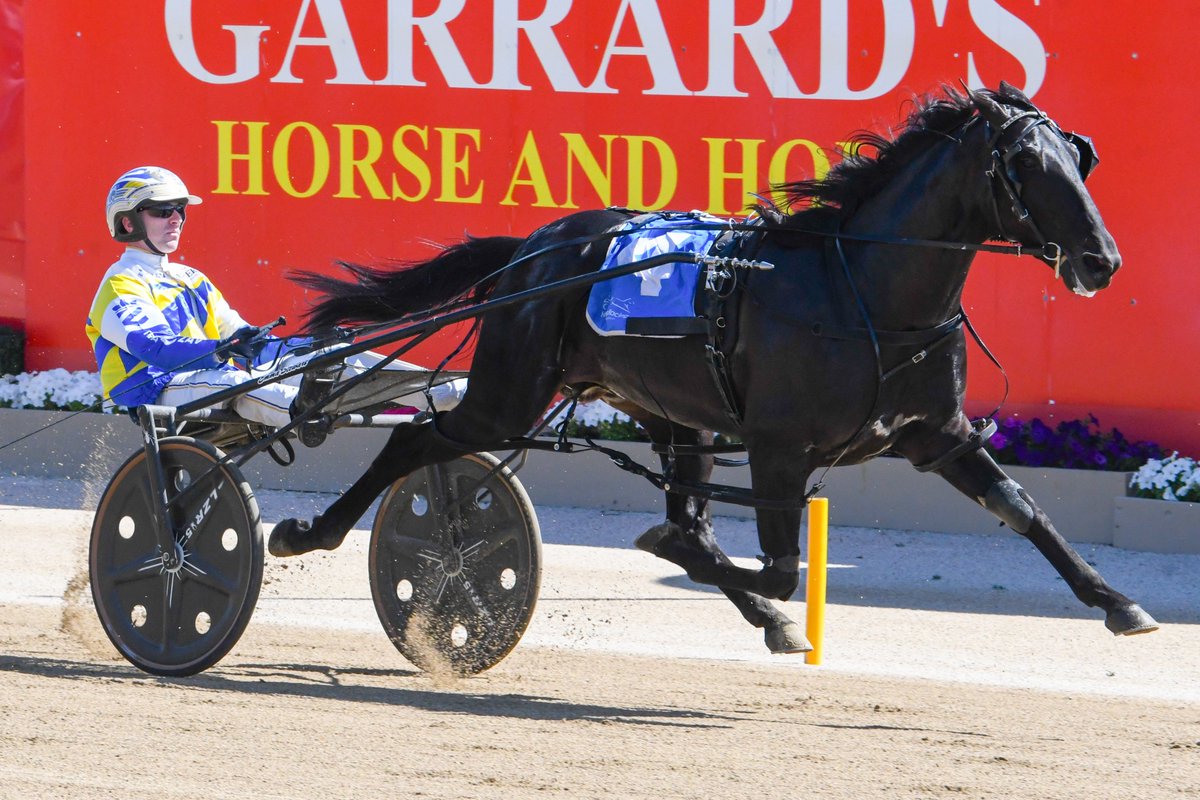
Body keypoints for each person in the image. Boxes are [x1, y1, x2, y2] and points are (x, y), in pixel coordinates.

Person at [86, 166, 464, 434]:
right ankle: (305, 409)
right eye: (162, 210)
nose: (177, 219)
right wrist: (224, 349)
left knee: (329, 353)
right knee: (233, 379)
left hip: (206, 376)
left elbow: (241, 336)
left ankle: (444, 392)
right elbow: (156, 349)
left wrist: (306, 347)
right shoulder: (120, 284)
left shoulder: (190, 278)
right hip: (157, 388)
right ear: (128, 223)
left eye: (180, 210)